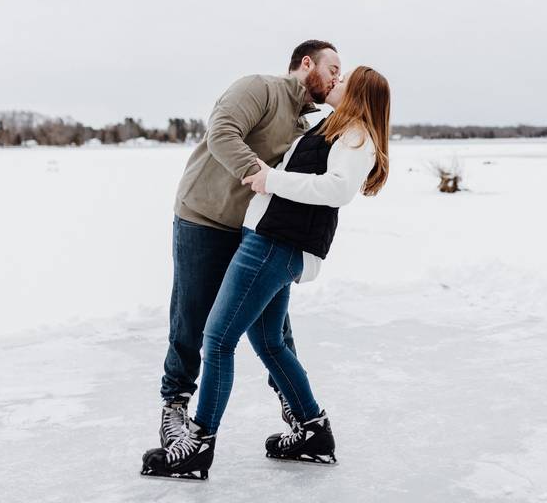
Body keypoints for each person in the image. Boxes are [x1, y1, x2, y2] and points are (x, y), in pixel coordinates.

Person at [142, 66, 391, 479]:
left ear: (359, 94)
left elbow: (337, 190)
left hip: (274, 244)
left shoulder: (355, 135)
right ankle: (313, 429)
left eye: (344, 80)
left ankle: (198, 446)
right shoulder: (334, 127)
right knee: (270, 341)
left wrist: (270, 179)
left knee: (218, 339)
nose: (336, 82)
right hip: (269, 240)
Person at [157, 40, 341, 449]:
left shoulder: (309, 125)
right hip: (203, 217)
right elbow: (221, 133)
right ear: (306, 62)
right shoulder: (259, 88)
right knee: (191, 318)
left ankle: (295, 407)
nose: (336, 78)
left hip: (254, 233)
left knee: (275, 329)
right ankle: (174, 406)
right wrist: (260, 174)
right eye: (333, 69)